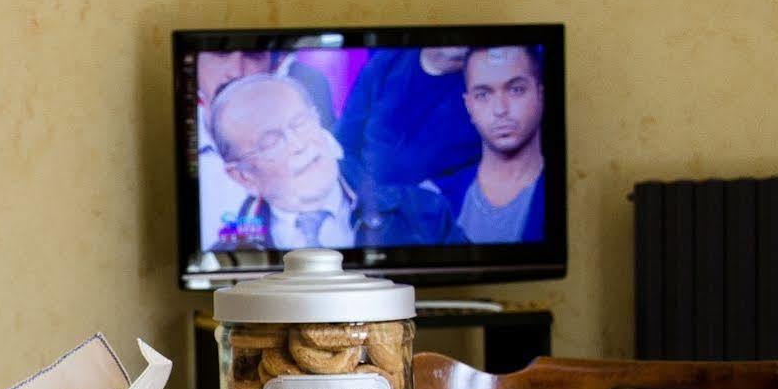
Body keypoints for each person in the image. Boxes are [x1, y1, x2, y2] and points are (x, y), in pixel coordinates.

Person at [206, 73, 465, 251]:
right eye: (270, 142)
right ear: (243, 176)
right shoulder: (225, 259)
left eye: (299, 123)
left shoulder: (424, 214)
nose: (299, 144)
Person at [432, 45, 548, 244]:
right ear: (469, 106)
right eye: (483, 95)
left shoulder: (566, 194)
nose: (500, 109)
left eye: (516, 90)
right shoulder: (434, 199)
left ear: (540, 95)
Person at [333, 47, 480, 190]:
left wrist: (436, 193)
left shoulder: (485, 77)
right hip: (368, 203)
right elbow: (346, 143)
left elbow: (497, 162)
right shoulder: (388, 61)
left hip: (439, 207)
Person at [194, 51, 273, 250]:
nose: (236, 72)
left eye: (253, 56)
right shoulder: (169, 152)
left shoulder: (309, 149)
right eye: (221, 54)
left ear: (274, 66)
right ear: (194, 64)